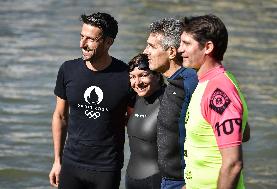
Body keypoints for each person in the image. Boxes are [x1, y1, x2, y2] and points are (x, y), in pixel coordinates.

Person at [48, 12, 131, 189]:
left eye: (91, 39)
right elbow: (60, 116)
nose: (82, 44)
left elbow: (133, 122)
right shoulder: (68, 70)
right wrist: (57, 160)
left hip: (107, 167)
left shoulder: (126, 76)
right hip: (71, 164)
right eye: (81, 37)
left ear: (109, 42)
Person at [178, 14, 250, 189]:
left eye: (186, 43)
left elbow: (232, 164)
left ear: (208, 47)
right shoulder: (208, 83)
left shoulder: (219, 90)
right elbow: (244, 133)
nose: (180, 49)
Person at [143, 18, 198, 189]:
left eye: (152, 46)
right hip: (166, 181)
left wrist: (191, 184)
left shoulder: (191, 82)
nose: (145, 51)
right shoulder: (172, 83)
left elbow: (211, 136)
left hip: (183, 183)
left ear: (172, 52)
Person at [125, 53, 165, 189]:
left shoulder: (169, 101)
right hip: (130, 178)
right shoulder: (135, 99)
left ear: (158, 75)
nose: (137, 83)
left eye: (143, 75)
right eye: (132, 77)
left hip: (157, 180)